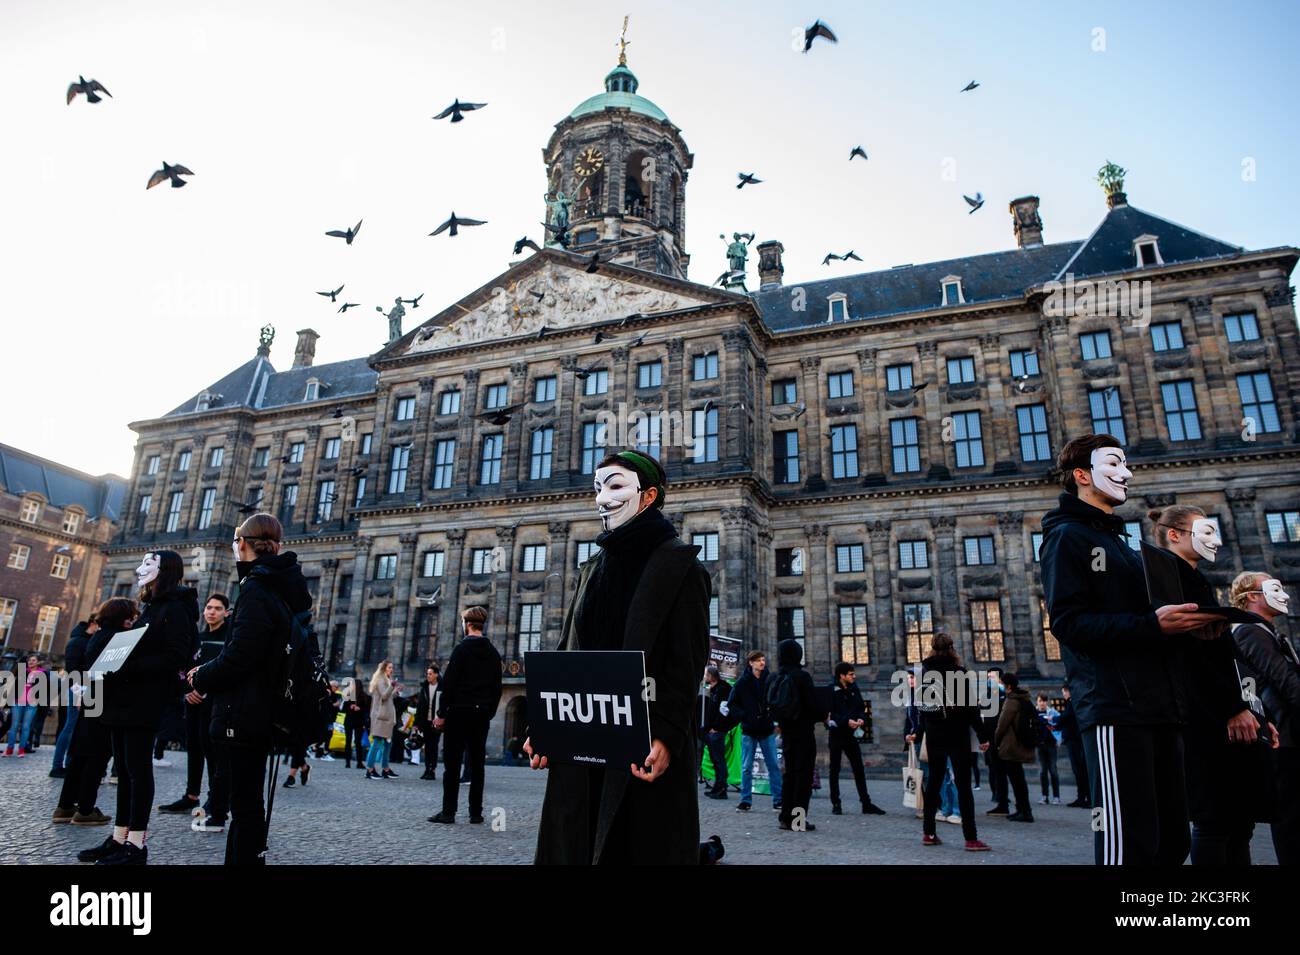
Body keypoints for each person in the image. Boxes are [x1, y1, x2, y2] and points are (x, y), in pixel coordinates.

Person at [1040, 435, 1219, 865]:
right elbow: (1067, 622)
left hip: (1158, 706)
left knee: (1171, 843)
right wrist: (1151, 624)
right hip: (1115, 706)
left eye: (1127, 464)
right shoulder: (1067, 538)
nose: (1127, 473)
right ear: (1082, 475)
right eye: (1115, 464)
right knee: (1128, 846)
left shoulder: (1123, 543)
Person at [528, 450, 710, 863]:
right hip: (581, 737)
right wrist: (545, 724)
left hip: (642, 743)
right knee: (574, 842)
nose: (602, 498)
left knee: (634, 844)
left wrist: (666, 735)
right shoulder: (593, 567)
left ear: (648, 497)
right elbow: (568, 650)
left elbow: (687, 664)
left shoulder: (682, 568)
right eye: (597, 488)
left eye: (615, 486)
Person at [189, 513, 312, 865]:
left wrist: (201, 676)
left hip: (242, 712)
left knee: (243, 807)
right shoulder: (279, 588)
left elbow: (241, 657)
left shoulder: (256, 590)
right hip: (264, 708)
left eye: (235, 541)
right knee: (249, 806)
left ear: (241, 544)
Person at [1153, 504, 1272, 866]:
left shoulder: (1194, 578)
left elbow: (1226, 655)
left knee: (1237, 819)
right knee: (1216, 819)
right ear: (1174, 535)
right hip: (1205, 717)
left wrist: (1256, 714)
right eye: (1205, 532)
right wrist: (1234, 709)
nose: (1216, 541)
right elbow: (1194, 657)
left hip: (1222, 712)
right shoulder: (1169, 579)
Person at [91, 551, 197, 865]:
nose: (140, 568)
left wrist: (129, 665)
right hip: (126, 698)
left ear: (165, 571)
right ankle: (119, 836)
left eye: (148, 564)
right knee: (123, 770)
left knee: (138, 772)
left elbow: (178, 655)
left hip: (145, 700)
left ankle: (137, 845)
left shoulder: (176, 609)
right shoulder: (152, 607)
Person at [1231, 572, 1296, 864]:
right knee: (1290, 815)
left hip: (1288, 731)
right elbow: (1283, 681)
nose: (1283, 594)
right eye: (1274, 587)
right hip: (1284, 734)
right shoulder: (1249, 631)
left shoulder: (1266, 631)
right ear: (1252, 596)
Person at [58, 598, 137, 836]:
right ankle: (85, 809)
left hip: (91, 698)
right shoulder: (116, 639)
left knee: (80, 755)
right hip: (104, 702)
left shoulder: (97, 636)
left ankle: (64, 806)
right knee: (97, 756)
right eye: (131, 616)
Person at [917, 633, 992, 850]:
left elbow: (922, 709)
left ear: (932, 648)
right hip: (957, 733)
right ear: (952, 648)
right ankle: (970, 838)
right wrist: (983, 735)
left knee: (933, 783)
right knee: (963, 785)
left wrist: (923, 731)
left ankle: (929, 833)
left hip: (934, 734)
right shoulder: (959, 673)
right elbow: (972, 709)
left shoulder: (925, 673)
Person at [159, 593, 230, 818]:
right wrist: (187, 692)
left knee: (212, 751)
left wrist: (205, 689)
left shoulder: (230, 639)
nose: (212, 612)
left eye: (218, 608)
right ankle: (191, 795)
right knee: (194, 748)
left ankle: (214, 798)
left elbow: (228, 668)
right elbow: (182, 668)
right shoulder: (196, 638)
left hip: (215, 702)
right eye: (209, 607)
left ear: (226, 613)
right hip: (192, 701)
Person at [430, 606, 502, 823]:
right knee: (477, 765)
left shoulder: (461, 650)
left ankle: (448, 812)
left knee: (452, 764)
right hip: (481, 714)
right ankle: (476, 813)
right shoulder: (493, 652)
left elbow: (449, 684)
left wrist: (441, 713)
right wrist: (489, 712)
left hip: (459, 713)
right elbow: (497, 687)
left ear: (467, 624)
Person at [723, 650, 782, 813]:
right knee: (746, 767)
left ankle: (778, 800)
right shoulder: (742, 682)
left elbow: (777, 699)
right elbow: (731, 703)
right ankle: (745, 800)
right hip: (749, 729)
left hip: (767, 728)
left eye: (763, 660)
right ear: (751, 663)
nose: (762, 663)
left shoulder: (770, 679)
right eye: (758, 660)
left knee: (773, 766)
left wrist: (774, 717)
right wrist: (744, 716)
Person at [772, 638, 820, 832]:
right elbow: (813, 706)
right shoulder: (802, 676)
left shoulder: (776, 676)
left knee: (789, 775)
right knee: (804, 778)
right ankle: (798, 820)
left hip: (786, 732)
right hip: (804, 732)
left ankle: (785, 817)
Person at [826, 662, 885, 815]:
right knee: (835, 769)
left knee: (859, 768)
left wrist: (861, 719)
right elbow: (830, 713)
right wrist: (847, 721)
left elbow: (861, 708)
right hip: (837, 734)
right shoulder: (831, 690)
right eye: (851, 674)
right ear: (842, 676)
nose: (854, 676)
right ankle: (836, 803)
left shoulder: (854, 687)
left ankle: (866, 803)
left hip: (851, 735)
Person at [51, 619, 97, 776]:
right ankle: (58, 766)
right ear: (93, 624)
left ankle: (68, 765)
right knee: (70, 727)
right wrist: (79, 692)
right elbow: (72, 670)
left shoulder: (86, 640)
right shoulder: (77, 642)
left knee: (74, 727)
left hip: (83, 687)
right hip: (78, 688)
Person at [993, 672, 1036, 822]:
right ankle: (1023, 809)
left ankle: (1024, 811)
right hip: (1020, 744)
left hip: (1011, 746)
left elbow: (1002, 724)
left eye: (1003, 683)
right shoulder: (1024, 699)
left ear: (1008, 686)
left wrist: (996, 741)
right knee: (1019, 780)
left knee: (1017, 780)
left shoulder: (1011, 701)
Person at [3, 654, 45, 756]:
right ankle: (9, 749)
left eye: (33, 660)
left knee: (26, 727)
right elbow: (14, 686)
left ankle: (21, 749)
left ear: (38, 662)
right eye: (29, 660)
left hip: (31, 704)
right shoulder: (22, 671)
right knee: (14, 725)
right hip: (18, 702)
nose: (31, 662)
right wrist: (7, 704)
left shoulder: (42, 674)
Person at [699, 665, 731, 800]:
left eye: (706, 675)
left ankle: (721, 788)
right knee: (715, 759)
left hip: (716, 730)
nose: (705, 677)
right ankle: (718, 787)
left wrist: (717, 727)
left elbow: (724, 711)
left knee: (718, 760)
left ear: (711, 676)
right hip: (711, 729)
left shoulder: (723, 689)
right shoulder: (713, 689)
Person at [364, 660, 399, 780]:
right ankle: (369, 769)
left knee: (388, 744)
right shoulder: (380, 680)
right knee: (377, 743)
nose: (391, 669)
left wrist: (395, 692)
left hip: (387, 717)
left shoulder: (387, 680)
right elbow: (384, 696)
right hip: (380, 717)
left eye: (392, 667)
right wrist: (392, 687)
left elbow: (388, 696)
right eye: (390, 667)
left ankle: (385, 769)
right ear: (384, 668)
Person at [981, 667, 1009, 814]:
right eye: (988, 677)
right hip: (992, 739)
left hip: (1005, 739)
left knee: (1012, 773)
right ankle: (1001, 801)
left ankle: (1022, 807)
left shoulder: (1006, 695)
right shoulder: (988, 695)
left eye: (991, 677)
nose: (989, 680)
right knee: (996, 770)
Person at [1057, 685, 1090, 808]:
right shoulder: (1072, 703)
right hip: (1073, 740)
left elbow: (1064, 718)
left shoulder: (1072, 703)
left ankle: (1086, 798)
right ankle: (1082, 797)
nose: (1064, 695)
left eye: (1064, 692)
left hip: (1075, 741)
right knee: (1078, 771)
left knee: (1080, 770)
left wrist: (1055, 719)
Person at [414, 665, 442, 781]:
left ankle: (433, 769)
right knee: (426, 746)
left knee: (433, 745)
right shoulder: (424, 687)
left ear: (436, 674)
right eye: (427, 674)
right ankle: (427, 769)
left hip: (437, 721)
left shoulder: (442, 687)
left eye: (430, 674)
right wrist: (416, 724)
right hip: (425, 721)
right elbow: (419, 706)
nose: (428, 676)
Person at [1035, 693, 1062, 805]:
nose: (1042, 703)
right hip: (1040, 745)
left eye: (1044, 701)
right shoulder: (1034, 713)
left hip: (1051, 745)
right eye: (1040, 700)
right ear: (1037, 701)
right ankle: (1044, 796)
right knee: (1042, 772)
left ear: (1047, 702)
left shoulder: (1053, 712)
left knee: (1053, 771)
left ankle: (1056, 797)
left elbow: (1060, 724)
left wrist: (1059, 740)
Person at [341, 678, 368, 769]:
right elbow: (343, 709)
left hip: (359, 721)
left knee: (358, 742)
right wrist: (350, 706)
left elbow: (367, 710)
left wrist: (359, 709)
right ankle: (347, 762)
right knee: (348, 742)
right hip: (349, 721)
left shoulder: (364, 697)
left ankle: (359, 762)